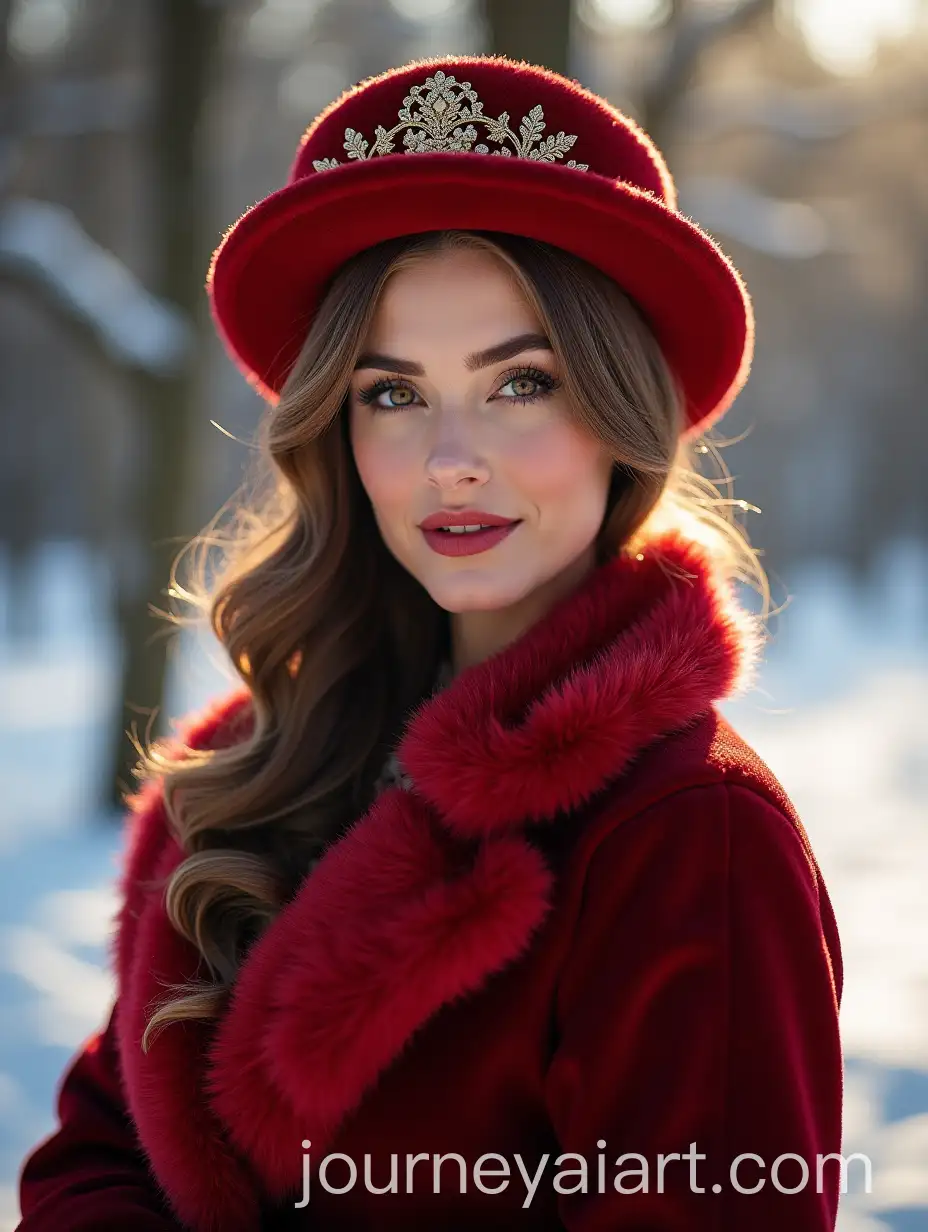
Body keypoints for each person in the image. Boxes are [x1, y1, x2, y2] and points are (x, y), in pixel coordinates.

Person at [16, 54, 844, 1231]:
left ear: (620, 413)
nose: (452, 458)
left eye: (521, 383)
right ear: (335, 430)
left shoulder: (688, 832)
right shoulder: (255, 768)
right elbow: (97, 1156)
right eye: (392, 394)